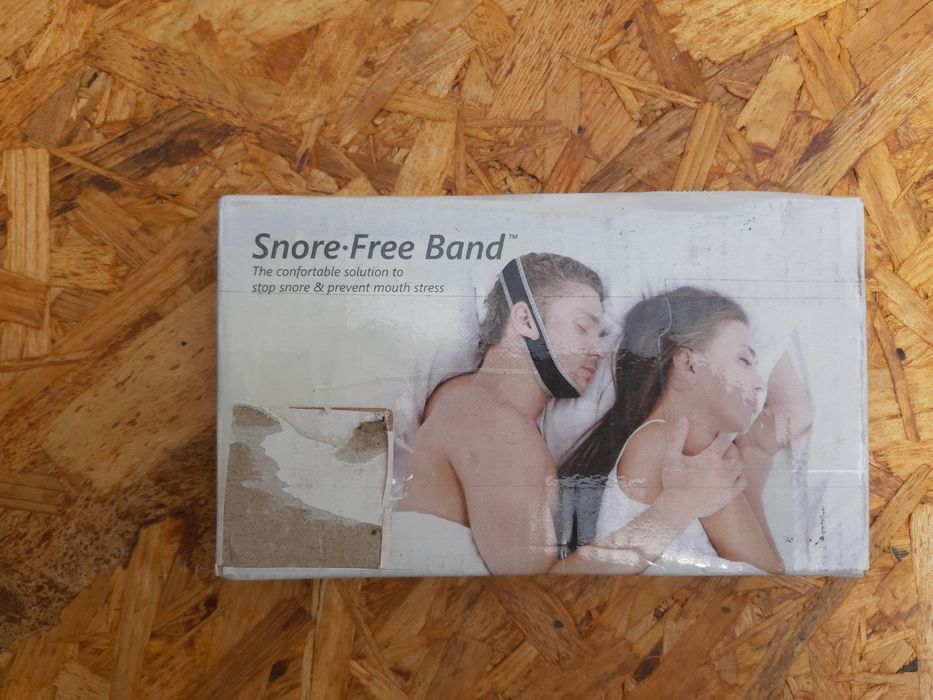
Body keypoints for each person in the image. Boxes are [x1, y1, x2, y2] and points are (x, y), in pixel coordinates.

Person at [392, 256, 751, 575]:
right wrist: (679, 507)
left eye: (600, 335)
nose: (598, 350)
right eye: (582, 327)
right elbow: (542, 591)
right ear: (525, 320)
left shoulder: (463, 396)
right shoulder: (495, 424)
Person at [557, 287, 813, 574]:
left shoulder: (660, 437)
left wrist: (750, 477)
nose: (759, 383)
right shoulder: (684, 441)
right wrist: (751, 487)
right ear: (688, 364)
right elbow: (770, 577)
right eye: (744, 360)